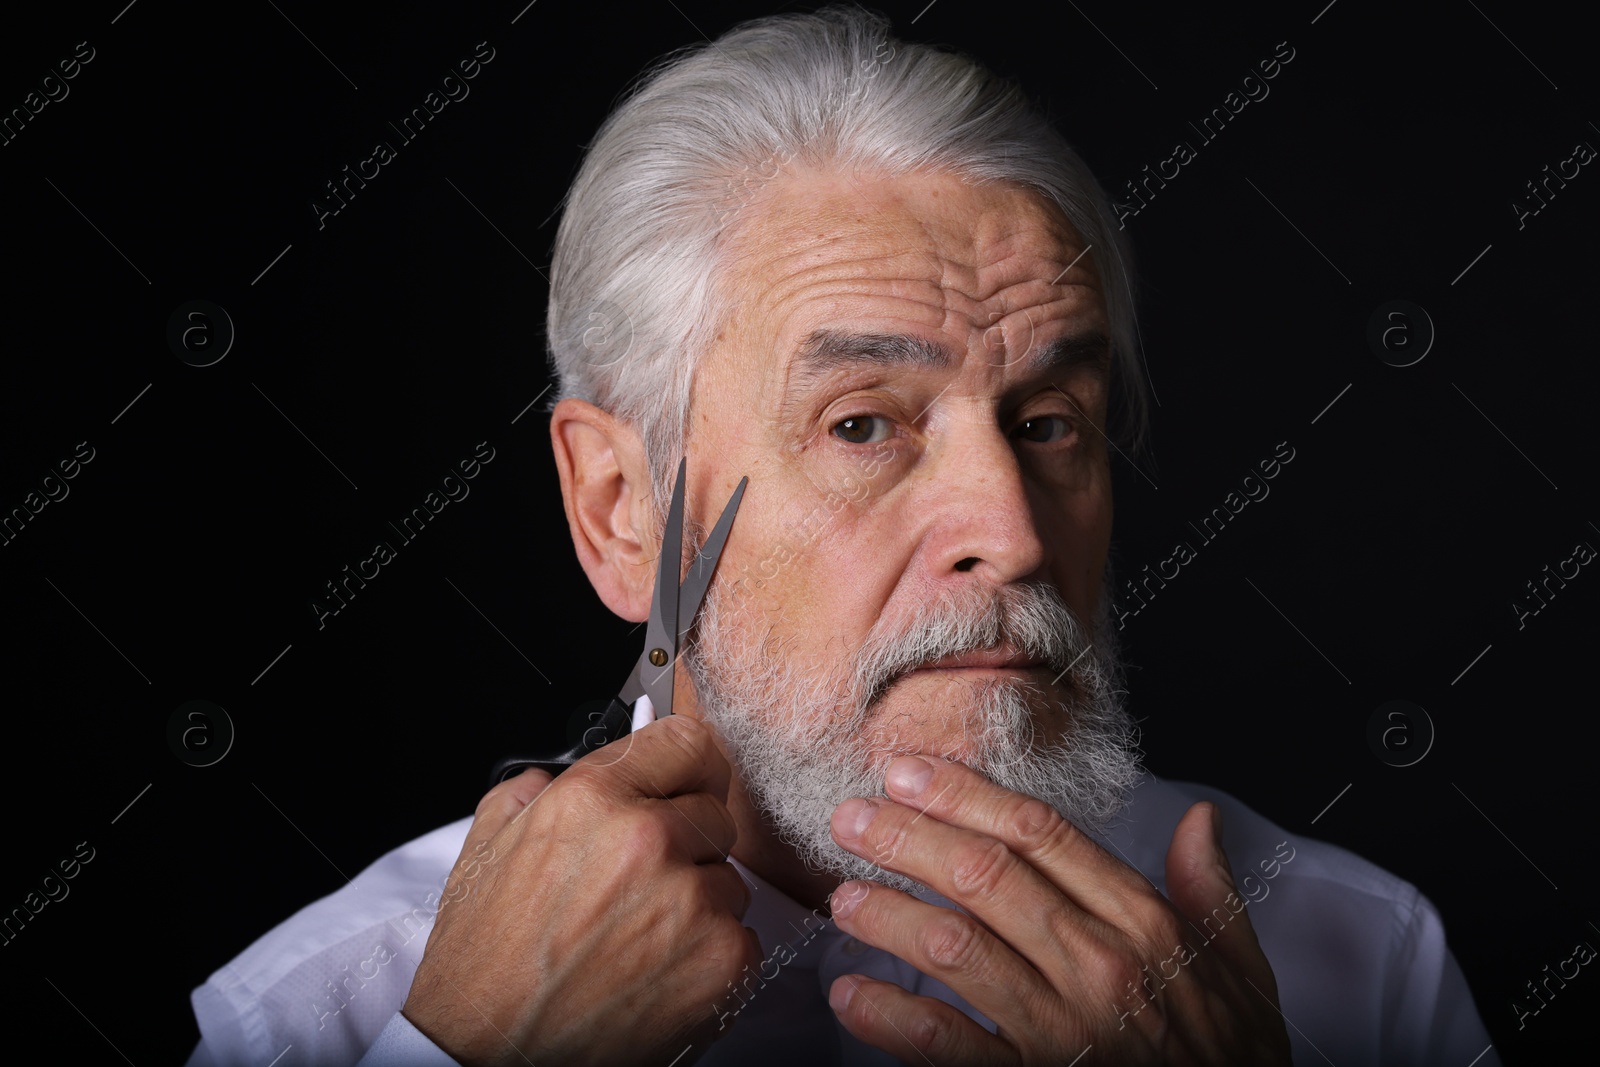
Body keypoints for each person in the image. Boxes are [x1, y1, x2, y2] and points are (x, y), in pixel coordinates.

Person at [185, 8, 1499, 1065]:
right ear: (621, 511)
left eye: (1050, 422)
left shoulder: (1356, 967)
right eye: (865, 426)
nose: (1014, 536)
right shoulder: (331, 1019)